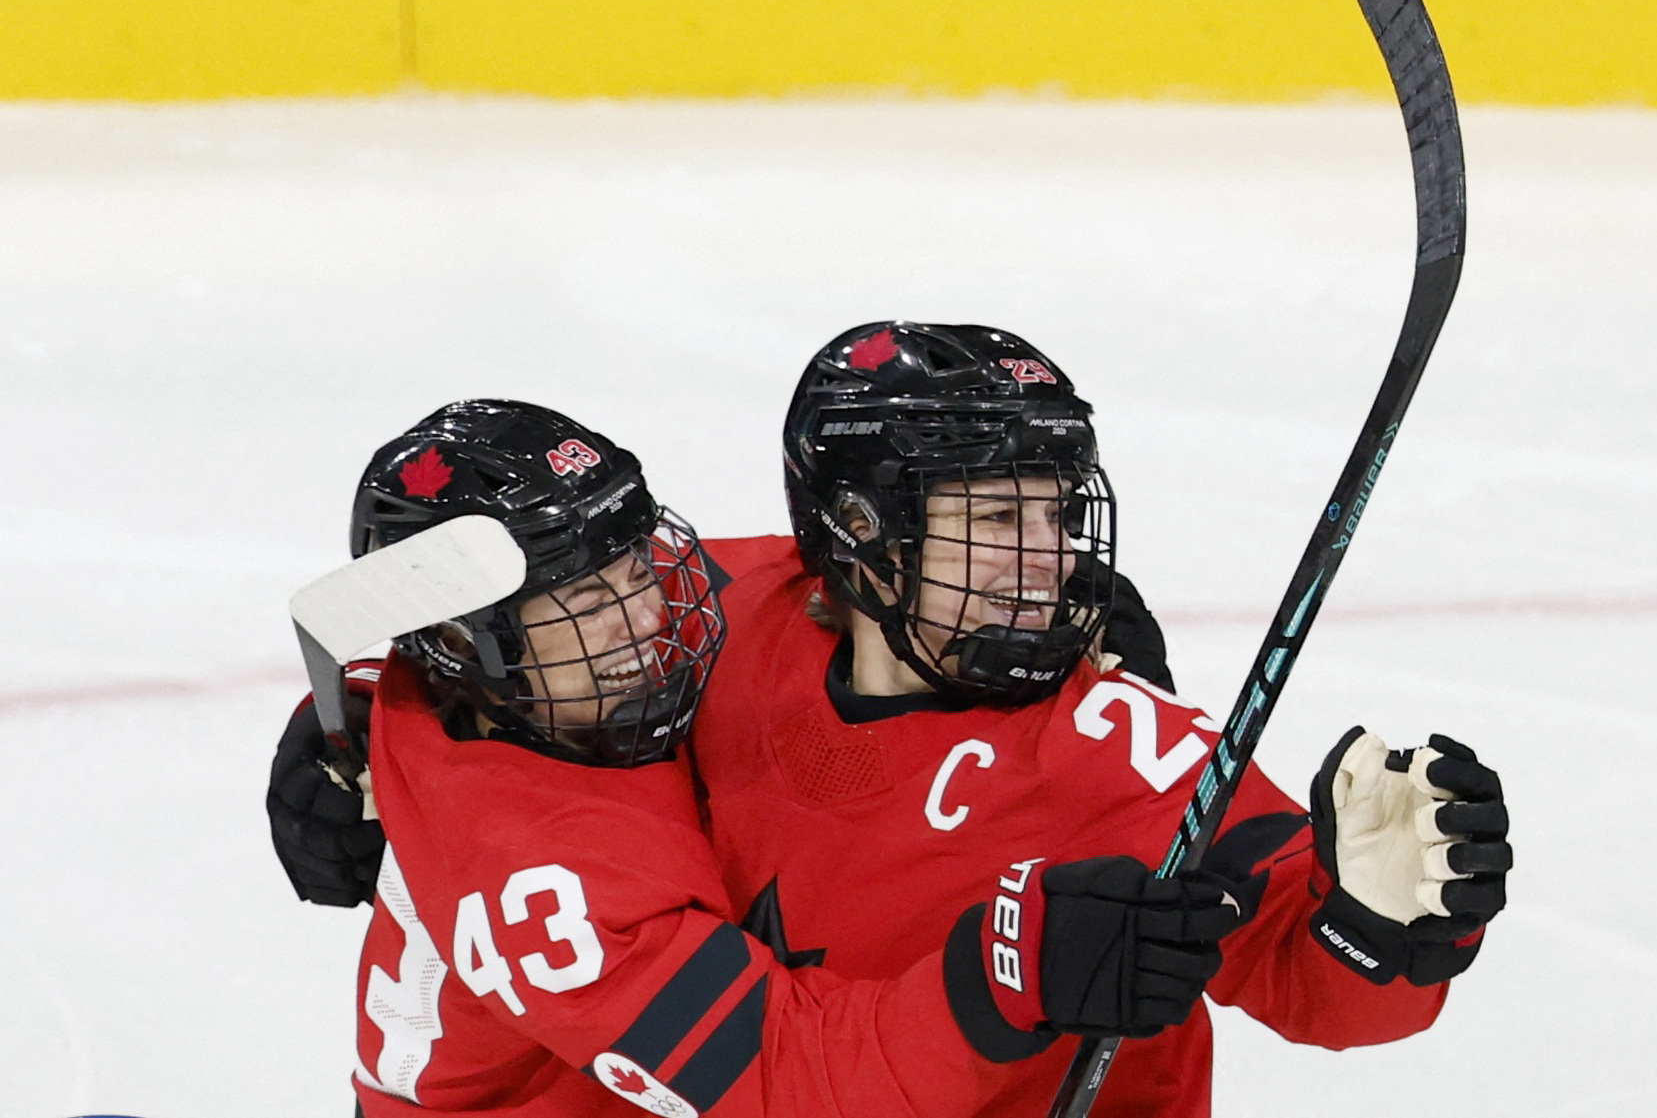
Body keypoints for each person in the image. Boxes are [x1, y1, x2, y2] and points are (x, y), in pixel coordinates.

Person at [271, 326, 1512, 1116]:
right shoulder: (550, 858)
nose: (1043, 565)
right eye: (989, 524)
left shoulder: (718, 617)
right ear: (860, 538)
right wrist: (1002, 972)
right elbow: (784, 1077)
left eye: (1052, 517)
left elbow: (1319, 977)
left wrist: (1381, 931)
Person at [322, 398, 1241, 1116]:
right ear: (463, 639)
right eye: (588, 603)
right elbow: (791, 1080)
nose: (648, 619)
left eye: (635, 567)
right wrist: (1012, 971)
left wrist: (989, 596)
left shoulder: (529, 684)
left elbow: (754, 576)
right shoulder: (541, 875)